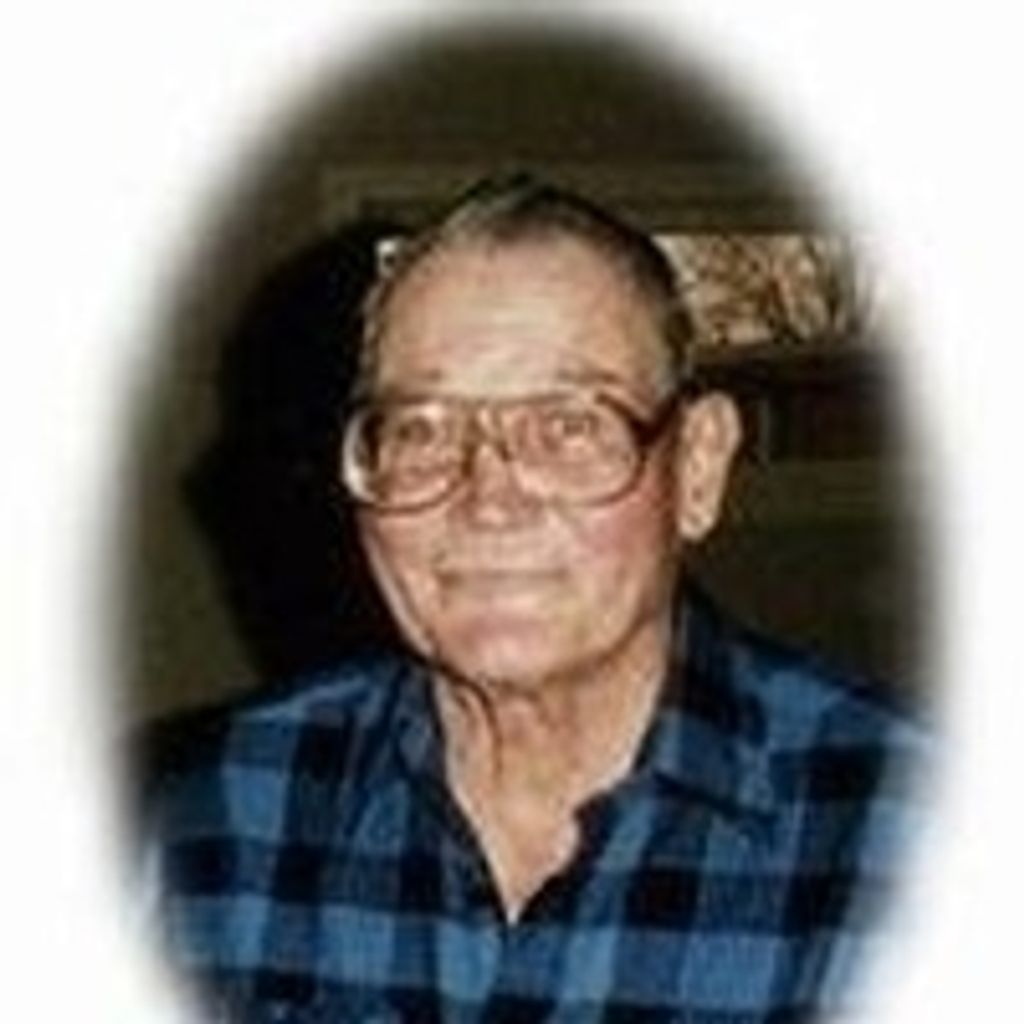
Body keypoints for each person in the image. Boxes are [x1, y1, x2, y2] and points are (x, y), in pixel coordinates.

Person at [144, 174, 923, 1022]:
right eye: (422, 429)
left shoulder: (914, 831)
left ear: (697, 469)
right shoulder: (206, 824)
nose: (489, 499)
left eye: (570, 426)